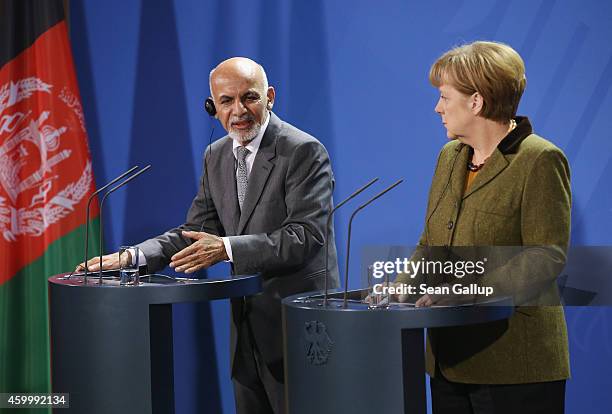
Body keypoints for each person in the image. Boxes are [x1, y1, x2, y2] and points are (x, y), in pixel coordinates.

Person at [78, 57, 339, 414]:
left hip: (298, 330)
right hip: (246, 336)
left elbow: (305, 236)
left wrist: (226, 248)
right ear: (211, 106)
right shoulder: (215, 156)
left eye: (249, 97)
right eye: (226, 101)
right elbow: (197, 232)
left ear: (270, 97)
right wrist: (134, 257)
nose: (238, 111)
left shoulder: (302, 151)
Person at [394, 41, 571, 413]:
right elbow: (431, 245)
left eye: (444, 97)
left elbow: (546, 256)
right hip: (448, 361)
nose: (437, 108)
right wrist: (396, 294)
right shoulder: (449, 157)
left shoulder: (540, 160)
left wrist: (469, 290)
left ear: (476, 102)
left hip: (514, 365)